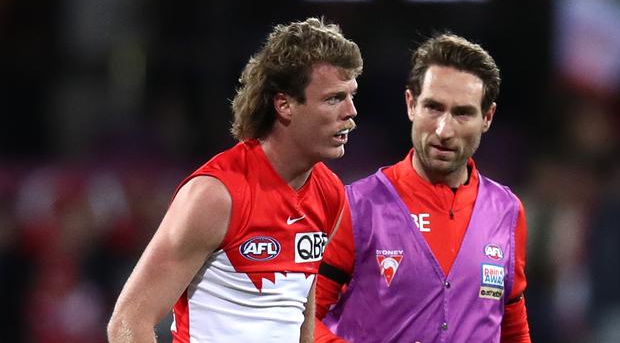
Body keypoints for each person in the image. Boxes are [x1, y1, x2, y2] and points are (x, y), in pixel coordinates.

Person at [107, 17, 363, 343]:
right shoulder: (216, 196)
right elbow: (129, 321)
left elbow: (298, 308)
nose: (351, 111)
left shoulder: (329, 193)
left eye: (351, 95)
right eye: (333, 98)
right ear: (284, 105)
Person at [315, 33, 531, 342]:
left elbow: (513, 327)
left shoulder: (508, 212)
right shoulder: (358, 206)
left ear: (487, 117)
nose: (444, 130)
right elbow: (303, 319)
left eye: (462, 113)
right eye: (433, 108)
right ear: (411, 104)